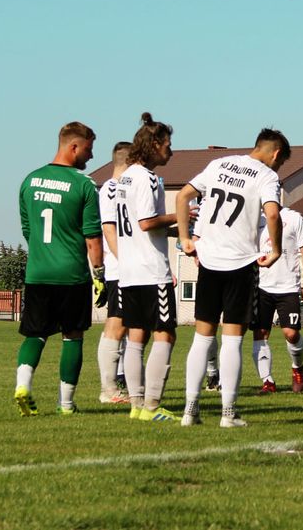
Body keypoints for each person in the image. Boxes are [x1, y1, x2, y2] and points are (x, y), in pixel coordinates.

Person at [178, 128, 289, 428]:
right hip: (240, 263)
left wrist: (184, 237)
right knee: (232, 340)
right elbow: (274, 215)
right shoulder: (266, 177)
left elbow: (184, 195)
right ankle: (228, 413)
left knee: (202, 338)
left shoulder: (220, 164)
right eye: (280, 163)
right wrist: (276, 249)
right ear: (276, 154)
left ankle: (190, 410)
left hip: (209, 261)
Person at [14, 121, 105, 416]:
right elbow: (93, 237)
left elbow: (28, 230)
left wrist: (44, 253)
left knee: (35, 334)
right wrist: (100, 274)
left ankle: (23, 385)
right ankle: (66, 404)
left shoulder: (30, 180)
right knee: (73, 336)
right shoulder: (84, 185)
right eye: (89, 150)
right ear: (74, 147)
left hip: (38, 273)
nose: (90, 157)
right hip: (72, 275)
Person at [116, 113, 182, 423]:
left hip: (129, 271)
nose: (171, 151)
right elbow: (145, 222)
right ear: (154, 145)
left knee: (136, 337)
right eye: (168, 145)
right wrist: (180, 217)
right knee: (165, 335)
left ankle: (136, 405)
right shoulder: (146, 178)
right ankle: (152, 407)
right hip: (151, 271)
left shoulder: (125, 177)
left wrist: (174, 230)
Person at [252, 205, 303, 395]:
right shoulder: (253, 219)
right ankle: (267, 382)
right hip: (261, 286)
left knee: (291, 333)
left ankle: (298, 368)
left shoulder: (294, 218)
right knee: (260, 333)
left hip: (288, 286)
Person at [96, 141, 132, 405]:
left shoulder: (125, 187)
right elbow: (109, 229)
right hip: (121, 270)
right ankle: (108, 390)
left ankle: (125, 386)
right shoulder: (111, 188)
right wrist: (126, 260)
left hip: (131, 268)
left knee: (128, 326)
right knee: (116, 325)